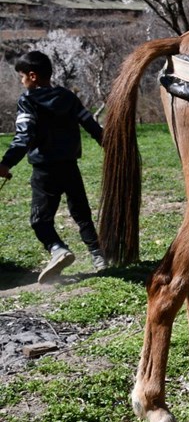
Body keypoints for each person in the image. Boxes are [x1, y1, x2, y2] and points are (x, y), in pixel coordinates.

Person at [0, 50, 106, 282]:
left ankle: (58, 250)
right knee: (82, 214)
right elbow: (90, 124)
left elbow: (23, 136)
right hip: (70, 166)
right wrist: (110, 145)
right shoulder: (68, 96)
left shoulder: (27, 100)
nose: (21, 82)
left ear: (32, 76)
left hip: (44, 170)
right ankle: (99, 257)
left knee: (40, 220)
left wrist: (5, 164)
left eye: (22, 77)